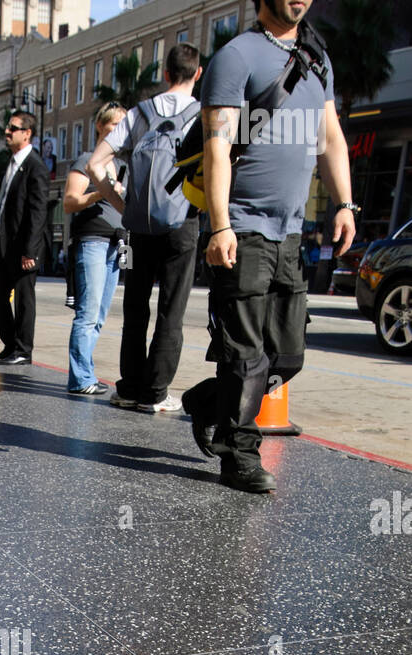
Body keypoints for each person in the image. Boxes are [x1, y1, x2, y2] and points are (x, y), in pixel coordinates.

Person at [181, 0, 355, 492]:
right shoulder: (237, 57)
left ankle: (208, 403)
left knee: (287, 356)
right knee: (247, 355)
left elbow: (332, 139)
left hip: (291, 230)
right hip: (243, 226)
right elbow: (217, 146)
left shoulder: (317, 58)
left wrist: (345, 204)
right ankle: (238, 455)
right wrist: (220, 227)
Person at [88, 44, 202, 413]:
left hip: (138, 230)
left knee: (135, 307)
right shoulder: (205, 114)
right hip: (182, 226)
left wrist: (125, 207)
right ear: (197, 74)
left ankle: (129, 387)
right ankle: (154, 394)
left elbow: (95, 165)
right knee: (172, 309)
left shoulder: (138, 114)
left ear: (166, 74)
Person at [65, 101, 126, 395]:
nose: (118, 130)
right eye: (113, 124)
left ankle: (86, 373)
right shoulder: (88, 160)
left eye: (122, 124)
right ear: (100, 126)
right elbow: (69, 202)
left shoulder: (123, 165)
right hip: (92, 240)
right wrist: (98, 193)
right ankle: (80, 378)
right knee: (87, 313)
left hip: (117, 243)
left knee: (100, 316)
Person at [0, 110, 49, 366]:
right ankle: (10, 345)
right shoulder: (10, 164)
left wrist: (30, 252)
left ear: (27, 133)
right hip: (3, 248)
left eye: (13, 128)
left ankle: (23, 350)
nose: (7, 132)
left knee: (23, 300)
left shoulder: (36, 167)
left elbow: (37, 212)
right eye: (7, 128)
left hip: (23, 250)